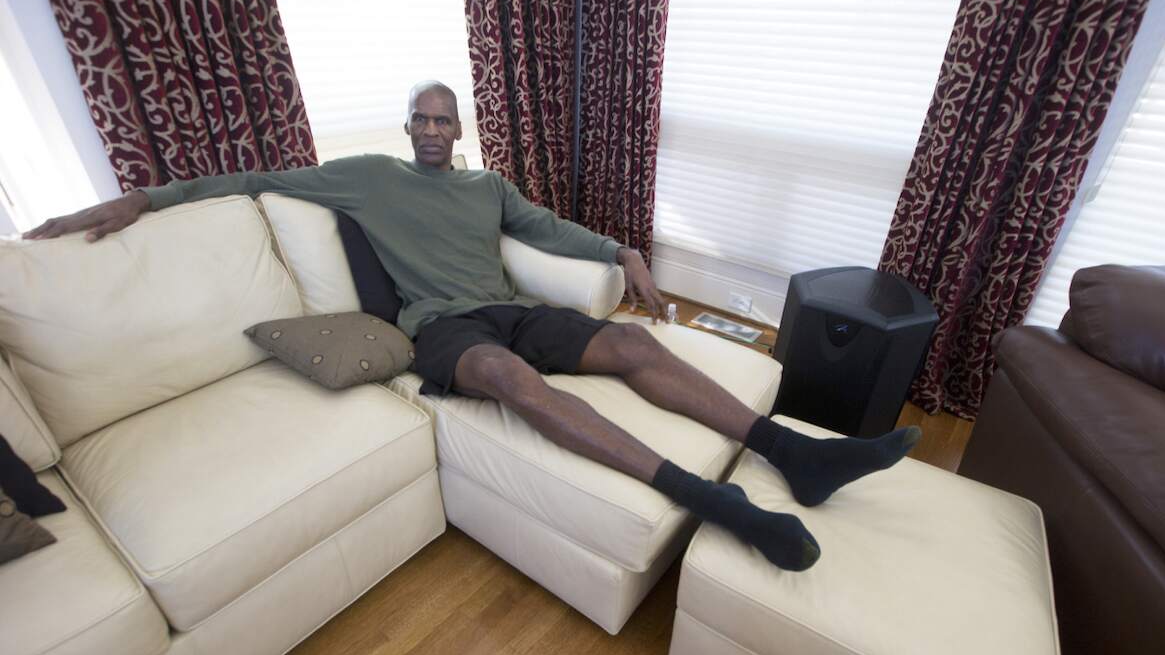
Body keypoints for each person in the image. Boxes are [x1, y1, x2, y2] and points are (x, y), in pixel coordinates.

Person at [24, 80, 920, 571]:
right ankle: (716, 500)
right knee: (506, 381)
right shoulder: (366, 174)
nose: (428, 128)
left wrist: (626, 252)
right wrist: (140, 197)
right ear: (405, 124)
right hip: (443, 330)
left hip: (513, 308)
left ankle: (794, 452)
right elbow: (251, 180)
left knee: (634, 344)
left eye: (442, 119)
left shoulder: (483, 185)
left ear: (458, 130)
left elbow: (547, 229)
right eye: (418, 115)